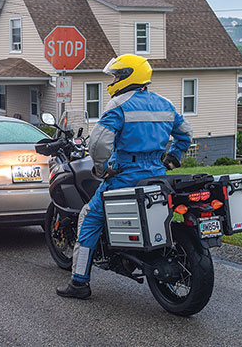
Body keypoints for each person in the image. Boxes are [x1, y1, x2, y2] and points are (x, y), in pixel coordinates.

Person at [56, 54, 193, 299]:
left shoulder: (119, 105)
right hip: (156, 175)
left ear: (129, 76)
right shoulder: (165, 104)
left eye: (117, 75)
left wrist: (101, 169)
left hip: (125, 175)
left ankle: (79, 283)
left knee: (88, 218)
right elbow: (185, 134)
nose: (114, 80)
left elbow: (98, 144)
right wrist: (173, 157)